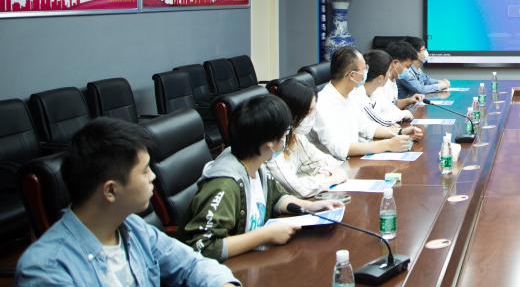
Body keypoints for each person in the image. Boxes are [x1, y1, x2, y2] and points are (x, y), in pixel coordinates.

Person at [15, 117, 239, 286]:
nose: (153, 176)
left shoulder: (134, 228)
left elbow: (192, 264)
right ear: (111, 190)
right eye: (144, 171)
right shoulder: (47, 269)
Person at [180, 94, 345, 261]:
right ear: (270, 144)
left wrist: (311, 206)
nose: (286, 138)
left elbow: (277, 198)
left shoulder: (256, 163)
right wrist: (265, 235)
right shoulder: (224, 185)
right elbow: (203, 247)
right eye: (285, 133)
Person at [310, 46, 418, 160]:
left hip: (353, 160)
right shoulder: (323, 104)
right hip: (335, 165)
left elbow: (367, 127)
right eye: (364, 68)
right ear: (352, 75)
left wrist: (401, 132)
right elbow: (341, 148)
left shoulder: (350, 95)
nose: (366, 72)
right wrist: (387, 145)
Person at [267, 78, 348, 198]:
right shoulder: (272, 147)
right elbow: (299, 190)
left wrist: (322, 175)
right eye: (309, 110)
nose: (313, 114)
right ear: (292, 113)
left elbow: (329, 162)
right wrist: (332, 179)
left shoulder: (295, 136)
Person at [370, 41, 425, 122]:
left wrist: (409, 100)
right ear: (395, 63)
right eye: (407, 67)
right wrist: (403, 114)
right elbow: (379, 113)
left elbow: (392, 104)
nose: (408, 71)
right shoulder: (381, 83)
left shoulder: (393, 79)